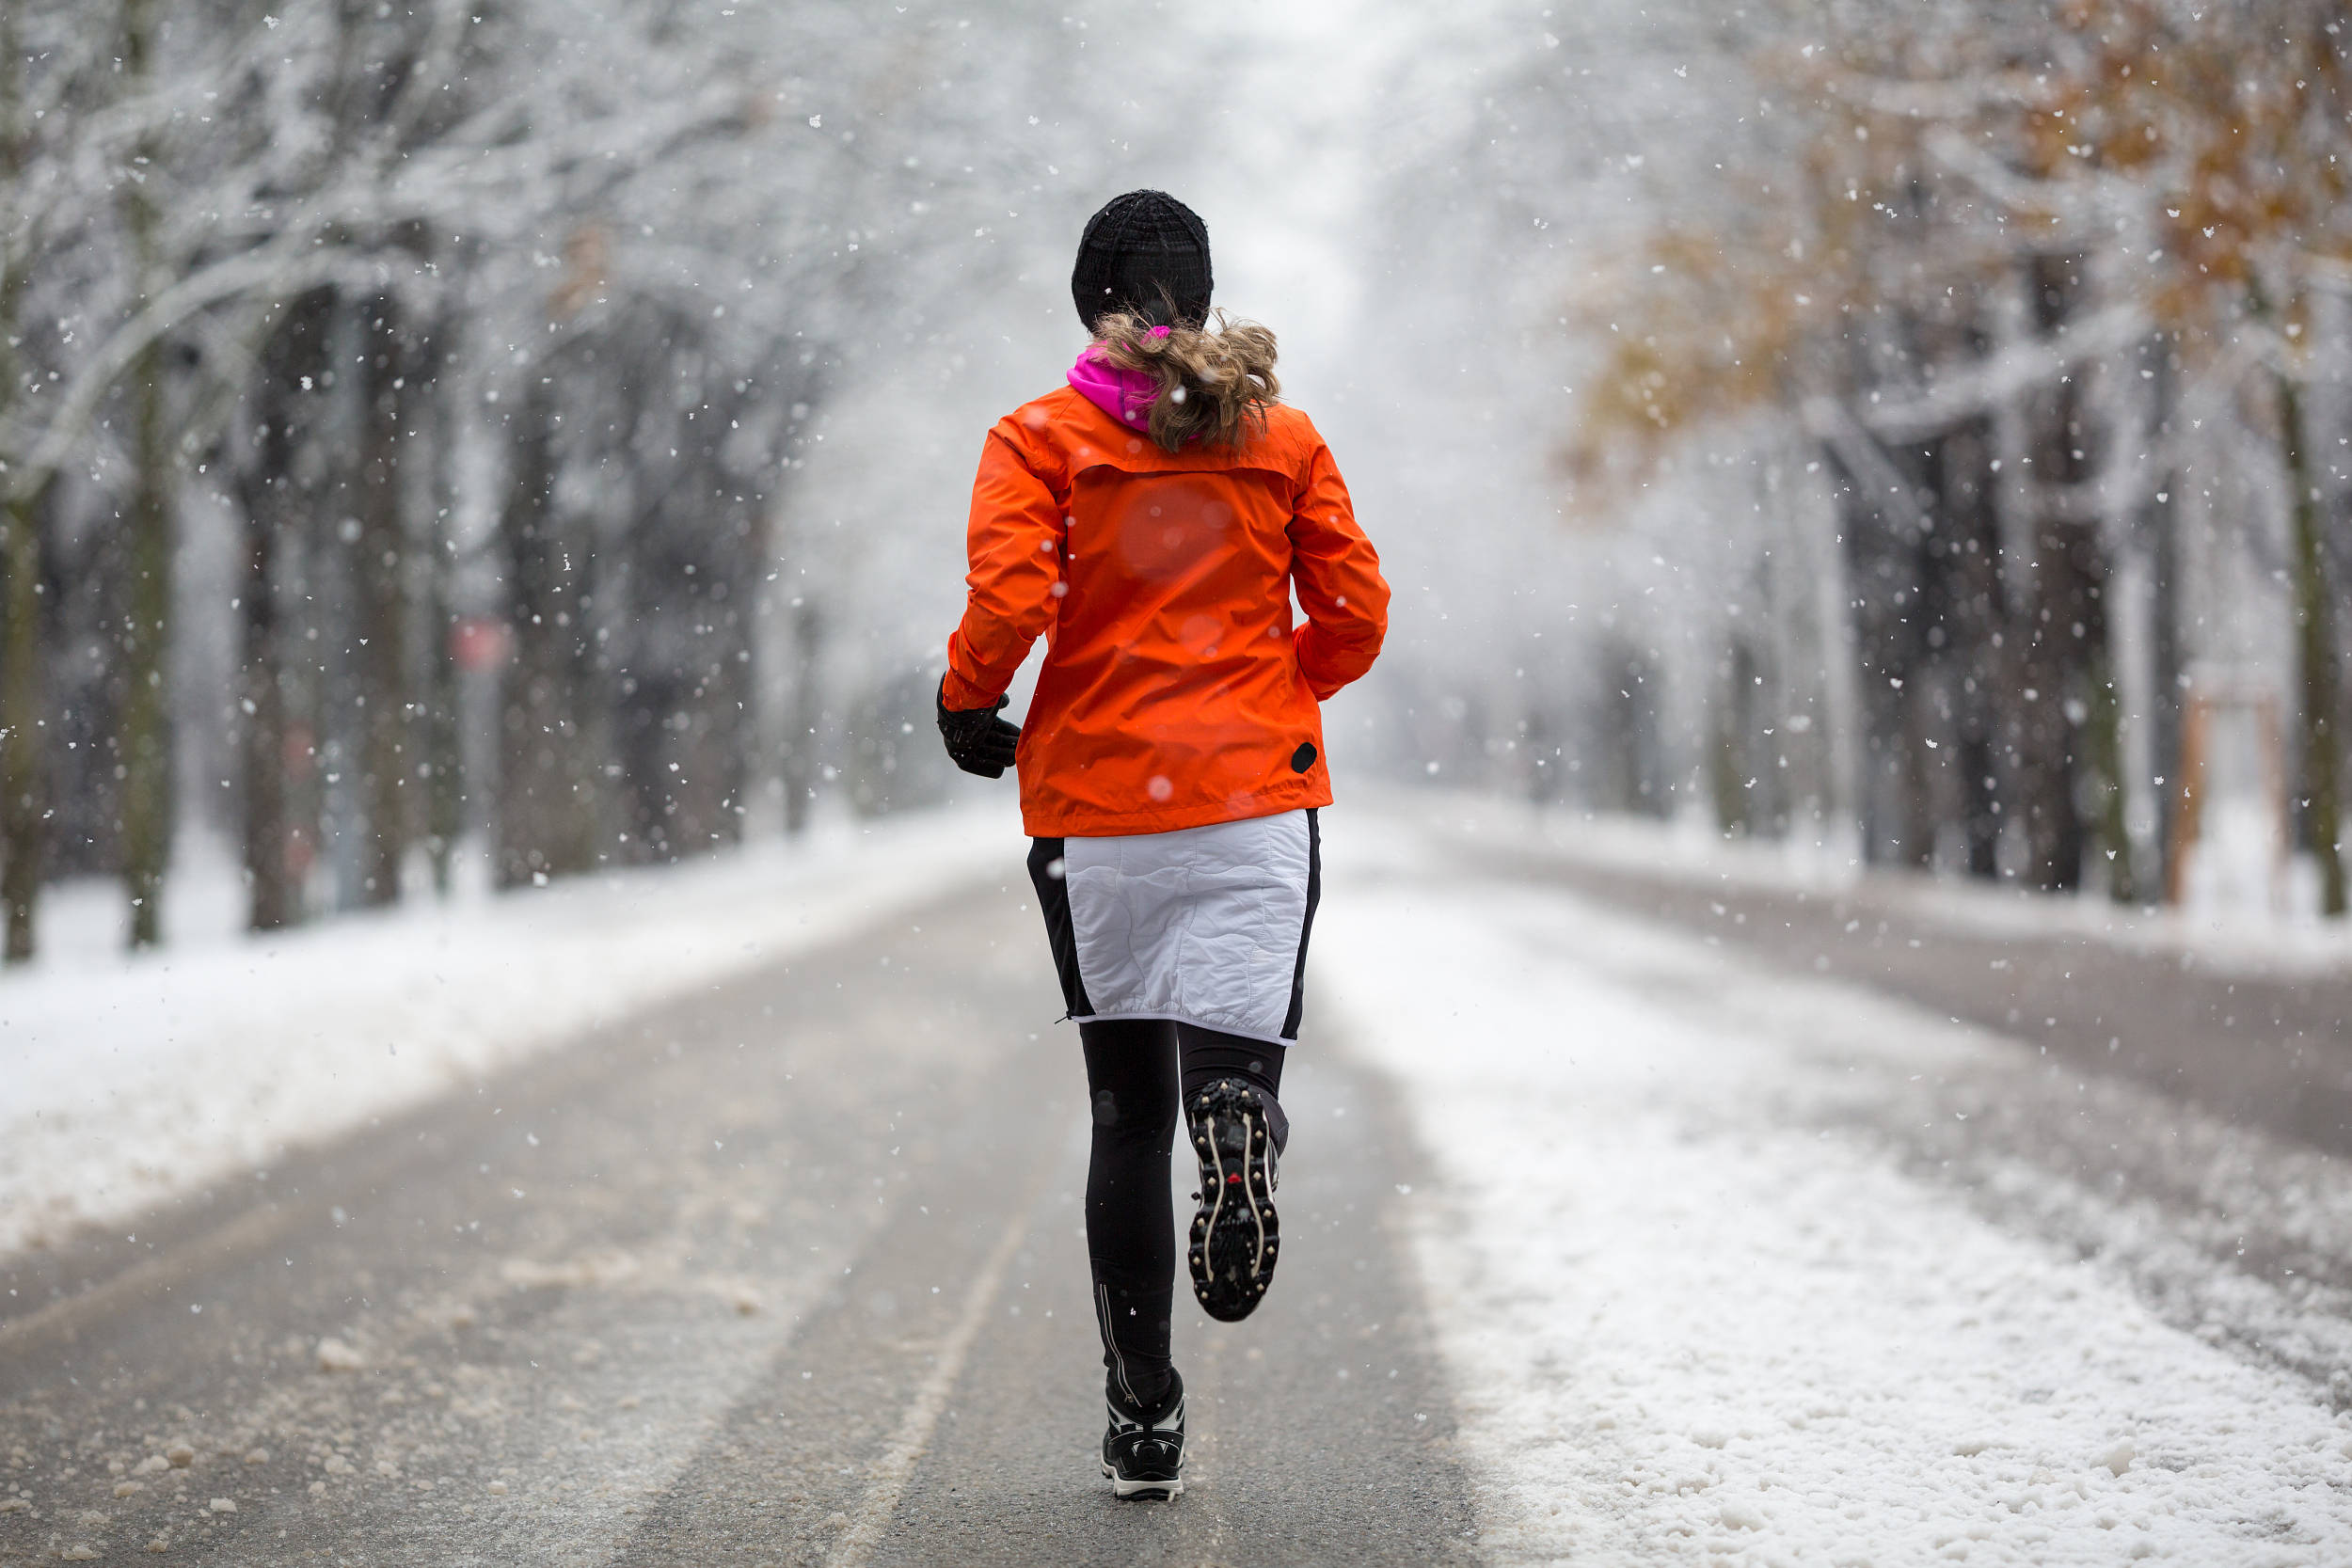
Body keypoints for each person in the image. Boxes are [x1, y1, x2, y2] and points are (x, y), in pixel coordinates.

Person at [934, 189, 1389, 1501]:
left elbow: (1013, 595)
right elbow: (1355, 610)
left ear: (1091, 302)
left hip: (1102, 815)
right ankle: (1238, 1115)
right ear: (1201, 296)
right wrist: (1269, 689)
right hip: (1255, 812)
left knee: (1124, 1115)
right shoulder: (1283, 436)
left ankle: (1143, 1407)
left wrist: (972, 700)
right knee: (1222, 1070)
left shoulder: (1037, 439)